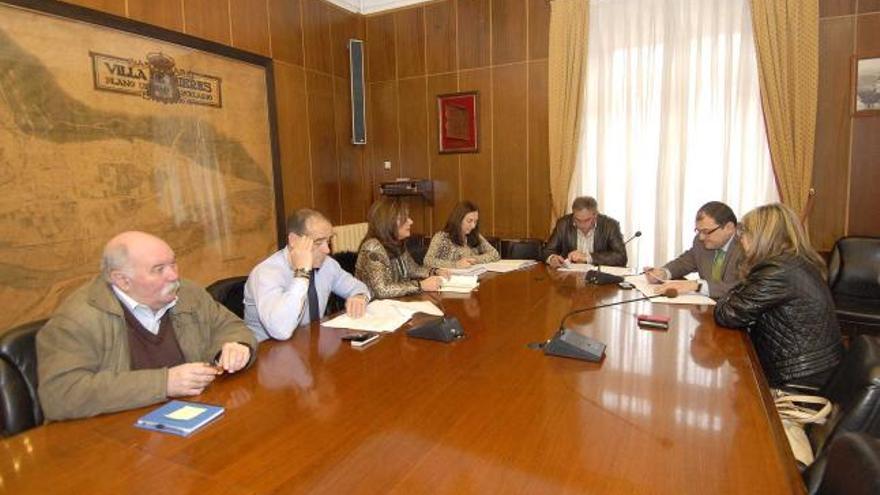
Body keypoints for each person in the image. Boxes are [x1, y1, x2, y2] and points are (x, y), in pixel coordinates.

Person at [37, 231, 256, 421]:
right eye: (158, 269)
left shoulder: (187, 294)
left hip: (189, 417)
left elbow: (229, 326)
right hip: (113, 440)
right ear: (122, 280)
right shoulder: (78, 319)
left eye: (173, 263)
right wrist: (164, 383)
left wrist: (234, 346)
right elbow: (60, 395)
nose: (174, 275)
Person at [714, 203, 843, 389]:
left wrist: (730, 295)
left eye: (744, 233)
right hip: (816, 366)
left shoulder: (777, 271)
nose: (740, 240)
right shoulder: (794, 261)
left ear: (761, 236)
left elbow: (728, 314)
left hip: (799, 376)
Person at [244, 209, 370, 342]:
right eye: (318, 242)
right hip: (269, 353)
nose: (327, 250)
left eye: (328, 241)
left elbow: (359, 288)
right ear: (293, 240)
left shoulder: (327, 265)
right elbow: (281, 330)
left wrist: (359, 296)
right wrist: (302, 273)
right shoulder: (266, 273)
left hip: (310, 344)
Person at [644, 201, 743, 299]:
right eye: (698, 231)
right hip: (707, 308)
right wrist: (663, 273)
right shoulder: (701, 242)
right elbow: (684, 262)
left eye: (706, 231)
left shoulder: (748, 246)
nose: (701, 237)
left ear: (729, 228)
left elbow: (742, 288)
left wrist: (697, 285)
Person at [355, 198, 447, 298]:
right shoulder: (372, 247)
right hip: (373, 307)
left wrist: (434, 271)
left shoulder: (396, 242)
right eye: (404, 218)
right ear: (388, 221)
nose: (411, 221)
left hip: (395, 303)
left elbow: (413, 269)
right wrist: (420, 285)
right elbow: (382, 290)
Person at [543, 196, 627, 268]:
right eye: (577, 220)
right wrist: (552, 258)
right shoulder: (563, 224)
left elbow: (621, 257)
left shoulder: (610, 226)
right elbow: (547, 250)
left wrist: (588, 257)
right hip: (570, 277)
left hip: (598, 278)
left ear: (595, 215)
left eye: (587, 220)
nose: (582, 225)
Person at [423, 201, 500, 269]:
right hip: (450, 280)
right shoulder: (442, 237)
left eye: (475, 222)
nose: (473, 226)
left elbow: (495, 254)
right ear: (458, 219)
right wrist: (455, 264)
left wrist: (475, 259)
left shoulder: (474, 234)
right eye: (469, 221)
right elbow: (428, 261)